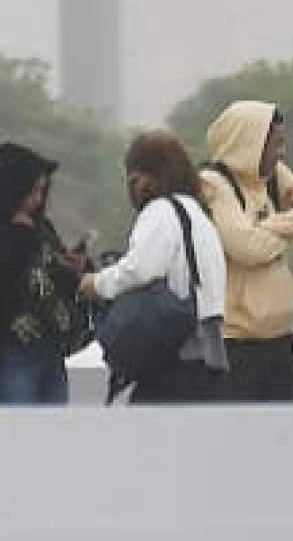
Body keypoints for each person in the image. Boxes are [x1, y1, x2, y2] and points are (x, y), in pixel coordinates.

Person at [78, 130, 230, 405]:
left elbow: (139, 270)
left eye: (134, 178)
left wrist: (96, 283)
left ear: (150, 177)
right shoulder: (198, 213)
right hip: (208, 351)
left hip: (175, 351)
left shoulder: (160, 211)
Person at [199, 100, 293, 404]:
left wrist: (266, 226)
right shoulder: (212, 184)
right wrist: (291, 226)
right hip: (234, 345)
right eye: (275, 144)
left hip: (279, 340)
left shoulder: (273, 175)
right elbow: (248, 249)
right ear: (250, 143)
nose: (282, 153)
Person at [0, 141, 88, 409]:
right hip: (7, 351)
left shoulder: (42, 228)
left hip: (50, 347)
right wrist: (18, 237)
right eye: (31, 191)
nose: (37, 200)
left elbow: (52, 277)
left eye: (42, 191)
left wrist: (75, 268)